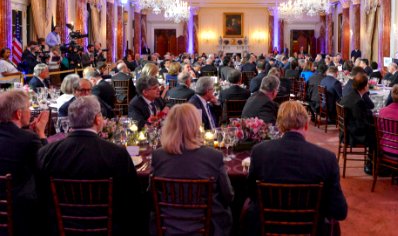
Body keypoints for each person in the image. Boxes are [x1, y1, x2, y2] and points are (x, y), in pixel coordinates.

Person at [37, 96, 142, 235]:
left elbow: (41, 195)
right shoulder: (117, 154)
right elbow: (132, 197)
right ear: (98, 119)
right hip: (108, 227)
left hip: (61, 227)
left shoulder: (47, 153)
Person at [246, 101, 347, 235]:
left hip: (269, 228)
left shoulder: (259, 152)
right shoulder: (327, 158)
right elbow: (340, 211)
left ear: (279, 126)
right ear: (306, 125)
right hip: (311, 230)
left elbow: (251, 193)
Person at [151, 104, 234, 235]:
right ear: (196, 125)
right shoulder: (213, 156)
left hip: (167, 225)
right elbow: (228, 196)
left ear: (169, 125)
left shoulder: (158, 155)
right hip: (207, 226)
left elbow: (151, 196)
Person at [0, 90, 49, 236]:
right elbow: (46, 167)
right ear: (19, 114)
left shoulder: (25, 137)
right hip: (19, 213)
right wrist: (41, 134)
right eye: (28, 108)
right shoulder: (29, 140)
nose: (31, 113)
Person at [340, 73, 375, 174]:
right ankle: (371, 165)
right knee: (376, 136)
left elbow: (370, 106)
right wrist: (374, 126)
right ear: (364, 87)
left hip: (345, 131)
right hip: (352, 135)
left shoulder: (351, 95)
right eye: (367, 84)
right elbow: (361, 125)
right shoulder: (358, 102)